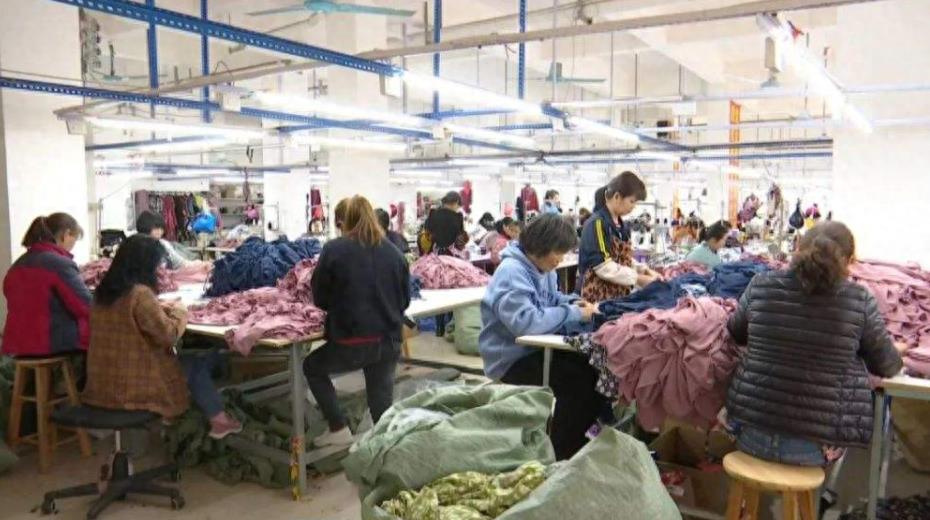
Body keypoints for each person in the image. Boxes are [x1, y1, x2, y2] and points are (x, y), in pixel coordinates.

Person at [726, 222, 904, 466]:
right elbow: (886, 365)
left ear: (798, 248)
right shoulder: (859, 299)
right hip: (814, 448)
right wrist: (894, 350)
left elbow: (736, 333)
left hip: (750, 431)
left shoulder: (760, 284)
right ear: (849, 260)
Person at [81, 234, 242, 439]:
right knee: (196, 364)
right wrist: (180, 312)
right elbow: (169, 336)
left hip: (103, 384)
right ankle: (218, 421)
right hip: (134, 388)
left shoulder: (102, 293)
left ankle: (182, 420)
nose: (158, 269)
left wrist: (158, 307)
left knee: (189, 362)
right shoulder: (140, 294)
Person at [480, 214, 599, 460]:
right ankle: (561, 453)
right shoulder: (511, 273)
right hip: (511, 359)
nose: (561, 259)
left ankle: (573, 442)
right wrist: (573, 312)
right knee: (577, 384)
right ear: (541, 246)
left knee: (591, 368)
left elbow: (551, 299)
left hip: (534, 349)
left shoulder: (544, 270)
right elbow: (526, 323)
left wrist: (573, 302)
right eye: (558, 252)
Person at [303, 196, 411, 447]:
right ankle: (386, 448)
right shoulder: (395, 253)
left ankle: (338, 427)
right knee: (380, 401)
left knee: (312, 367)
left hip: (352, 341)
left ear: (344, 221)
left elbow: (320, 298)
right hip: (388, 341)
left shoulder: (334, 249)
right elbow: (404, 301)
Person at [2, 213, 90, 357]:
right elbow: (85, 306)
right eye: (74, 240)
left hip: (16, 345)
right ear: (66, 234)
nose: (72, 248)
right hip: (49, 345)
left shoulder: (16, 266)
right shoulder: (60, 264)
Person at [578, 172, 660, 303]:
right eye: (631, 201)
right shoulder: (597, 224)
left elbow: (624, 258)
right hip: (597, 295)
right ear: (617, 196)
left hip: (617, 293)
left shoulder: (622, 225)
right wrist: (638, 279)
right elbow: (603, 267)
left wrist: (643, 269)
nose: (633, 207)